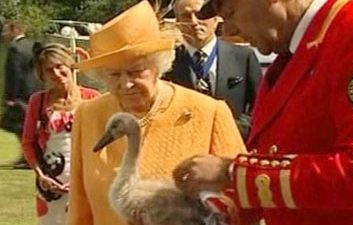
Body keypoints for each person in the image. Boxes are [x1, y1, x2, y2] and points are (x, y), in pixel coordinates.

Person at [173, 0, 353, 225]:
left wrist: (232, 172)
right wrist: (208, 212)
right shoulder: (291, 54)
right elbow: (279, 163)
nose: (230, 30)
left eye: (231, 12)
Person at [68, 1, 245, 225]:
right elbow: (79, 209)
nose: (126, 84)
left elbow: (241, 199)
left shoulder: (209, 112)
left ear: (158, 65)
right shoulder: (88, 115)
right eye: (114, 74)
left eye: (136, 72)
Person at [22, 43, 99, 225]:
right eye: (49, 70)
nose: (56, 73)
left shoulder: (93, 98)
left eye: (59, 66)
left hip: (85, 181)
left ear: (70, 65)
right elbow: (28, 143)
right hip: (50, 185)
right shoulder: (38, 101)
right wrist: (41, 175)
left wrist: (85, 176)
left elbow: (102, 143)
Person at [163, 0, 262, 139]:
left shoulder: (243, 57)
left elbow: (260, 107)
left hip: (232, 144)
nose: (194, 22)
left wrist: (230, 129)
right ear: (177, 22)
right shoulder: (167, 63)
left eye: (200, 14)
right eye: (186, 16)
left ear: (216, 18)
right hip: (185, 145)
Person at [1, 20, 43, 169]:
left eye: (6, 31)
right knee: (27, 124)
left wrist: (10, 97)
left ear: (14, 31)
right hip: (35, 90)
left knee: (16, 124)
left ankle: (29, 156)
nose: (3, 34)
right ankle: (28, 155)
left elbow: (15, 74)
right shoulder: (32, 46)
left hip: (21, 94)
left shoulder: (15, 48)